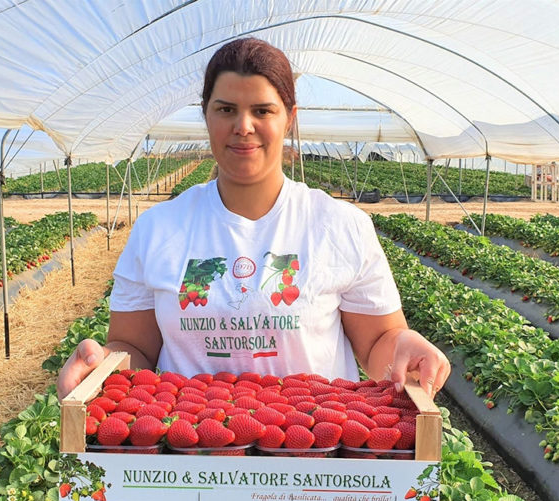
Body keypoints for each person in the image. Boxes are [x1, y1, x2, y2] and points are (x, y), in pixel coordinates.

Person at [57, 37, 450, 403]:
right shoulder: (158, 229)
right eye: (226, 109)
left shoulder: (339, 225)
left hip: (314, 450)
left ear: (289, 119)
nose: (243, 126)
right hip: (188, 454)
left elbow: (378, 340)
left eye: (262, 110)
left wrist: (404, 346)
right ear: (206, 115)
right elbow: (135, 348)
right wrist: (103, 363)